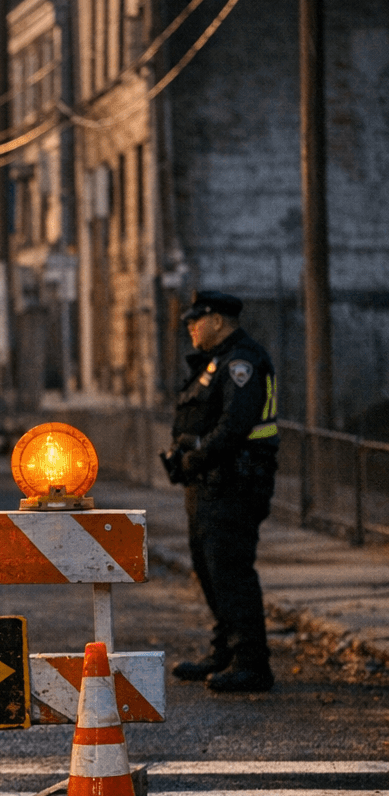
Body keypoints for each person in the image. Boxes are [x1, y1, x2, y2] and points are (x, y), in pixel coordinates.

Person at [163, 289, 280, 693]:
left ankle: (252, 662)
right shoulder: (214, 362)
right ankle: (225, 651)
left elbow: (234, 427)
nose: (191, 327)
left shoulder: (241, 363)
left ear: (217, 320)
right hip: (208, 484)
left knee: (230, 570)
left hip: (235, 482)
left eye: (196, 320)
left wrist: (194, 458)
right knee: (209, 568)